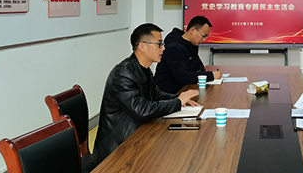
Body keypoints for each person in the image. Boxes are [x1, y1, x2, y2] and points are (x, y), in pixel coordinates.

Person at [93, 23, 200, 163]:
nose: (163, 48)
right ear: (142, 46)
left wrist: (179, 99)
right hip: (119, 147)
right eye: (159, 44)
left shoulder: (144, 68)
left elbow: (156, 94)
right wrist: (178, 102)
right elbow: (141, 109)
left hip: (138, 134)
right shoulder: (122, 74)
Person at [155, 16, 222, 94]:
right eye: (203, 36)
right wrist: (211, 76)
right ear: (192, 30)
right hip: (168, 94)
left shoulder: (191, 45)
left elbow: (198, 67)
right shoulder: (174, 48)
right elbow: (183, 76)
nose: (204, 40)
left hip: (183, 90)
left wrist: (205, 74)